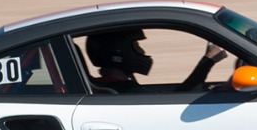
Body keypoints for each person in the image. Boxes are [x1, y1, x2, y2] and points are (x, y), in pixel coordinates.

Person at [86, 28, 228, 93]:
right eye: (135, 46)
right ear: (118, 52)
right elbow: (177, 103)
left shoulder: (111, 86)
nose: (142, 52)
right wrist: (208, 60)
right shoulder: (122, 91)